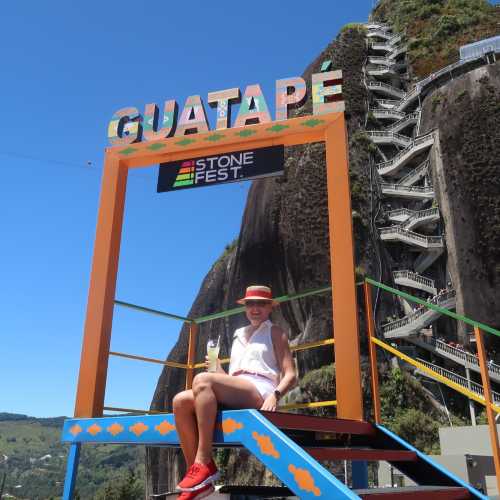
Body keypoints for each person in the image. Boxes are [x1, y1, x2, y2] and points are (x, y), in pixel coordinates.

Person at [172, 285, 297, 500]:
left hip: (260, 389)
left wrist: (274, 395)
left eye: (261, 303)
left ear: (270, 308)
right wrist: (216, 367)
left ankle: (204, 462)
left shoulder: (275, 332)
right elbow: (231, 379)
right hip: (237, 386)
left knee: (201, 380)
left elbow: (290, 374)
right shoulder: (238, 335)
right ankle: (198, 479)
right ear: (245, 308)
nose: (255, 308)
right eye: (250, 304)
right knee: (180, 401)